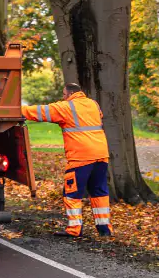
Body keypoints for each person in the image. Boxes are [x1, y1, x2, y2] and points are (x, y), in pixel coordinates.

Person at [22, 83, 112, 237]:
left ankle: (74, 229)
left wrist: (13, 108)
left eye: (63, 94)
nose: (62, 97)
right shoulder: (93, 104)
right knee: (99, 192)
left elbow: (38, 111)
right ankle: (105, 230)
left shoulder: (66, 107)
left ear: (69, 94)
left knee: (71, 193)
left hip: (81, 156)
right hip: (101, 154)